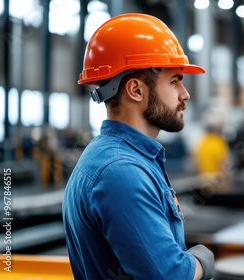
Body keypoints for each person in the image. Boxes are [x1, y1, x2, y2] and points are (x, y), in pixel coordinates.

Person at [62, 14, 214, 280]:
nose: (185, 94)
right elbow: (171, 276)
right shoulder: (120, 172)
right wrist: (204, 258)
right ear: (136, 90)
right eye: (174, 81)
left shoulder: (125, 159)